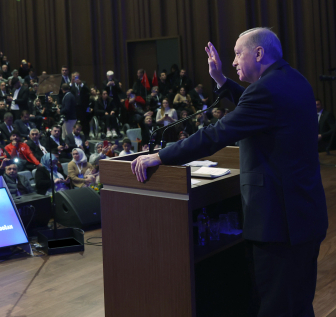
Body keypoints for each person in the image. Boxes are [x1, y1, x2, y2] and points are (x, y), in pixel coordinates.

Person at [131, 28, 328, 317]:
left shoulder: (266, 91)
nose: (233, 61)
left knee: (278, 308)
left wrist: (160, 156)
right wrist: (221, 80)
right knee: (296, 305)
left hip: (280, 224)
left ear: (259, 53)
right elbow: (253, 105)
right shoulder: (292, 80)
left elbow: (216, 134)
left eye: (238, 54)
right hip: (302, 217)